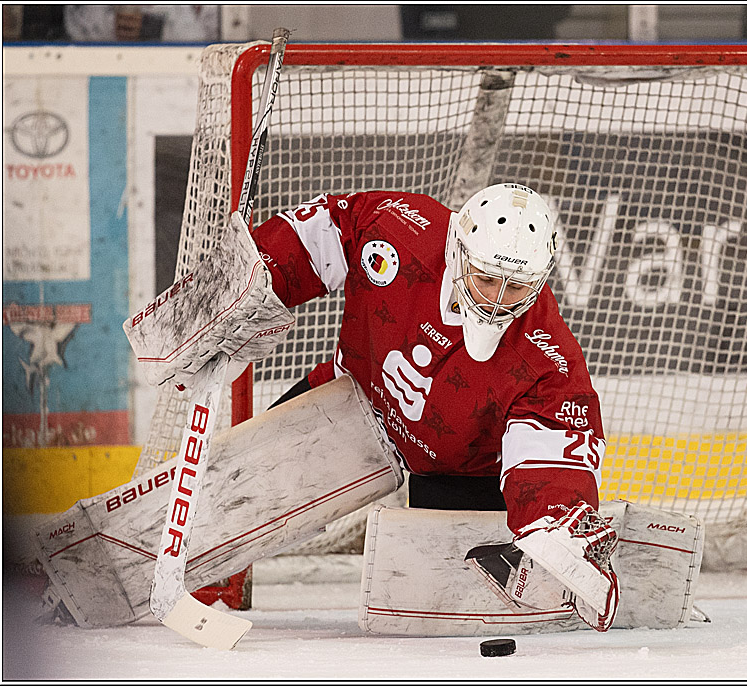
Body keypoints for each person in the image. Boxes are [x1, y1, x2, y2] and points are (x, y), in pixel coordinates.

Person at [250, 182, 618, 629]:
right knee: (243, 490)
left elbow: (554, 447)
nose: (497, 299)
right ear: (459, 251)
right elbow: (326, 230)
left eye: (517, 287)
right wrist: (251, 279)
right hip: (355, 400)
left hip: (455, 470)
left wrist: (558, 523)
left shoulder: (547, 357)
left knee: (443, 611)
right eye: (486, 278)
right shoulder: (400, 229)